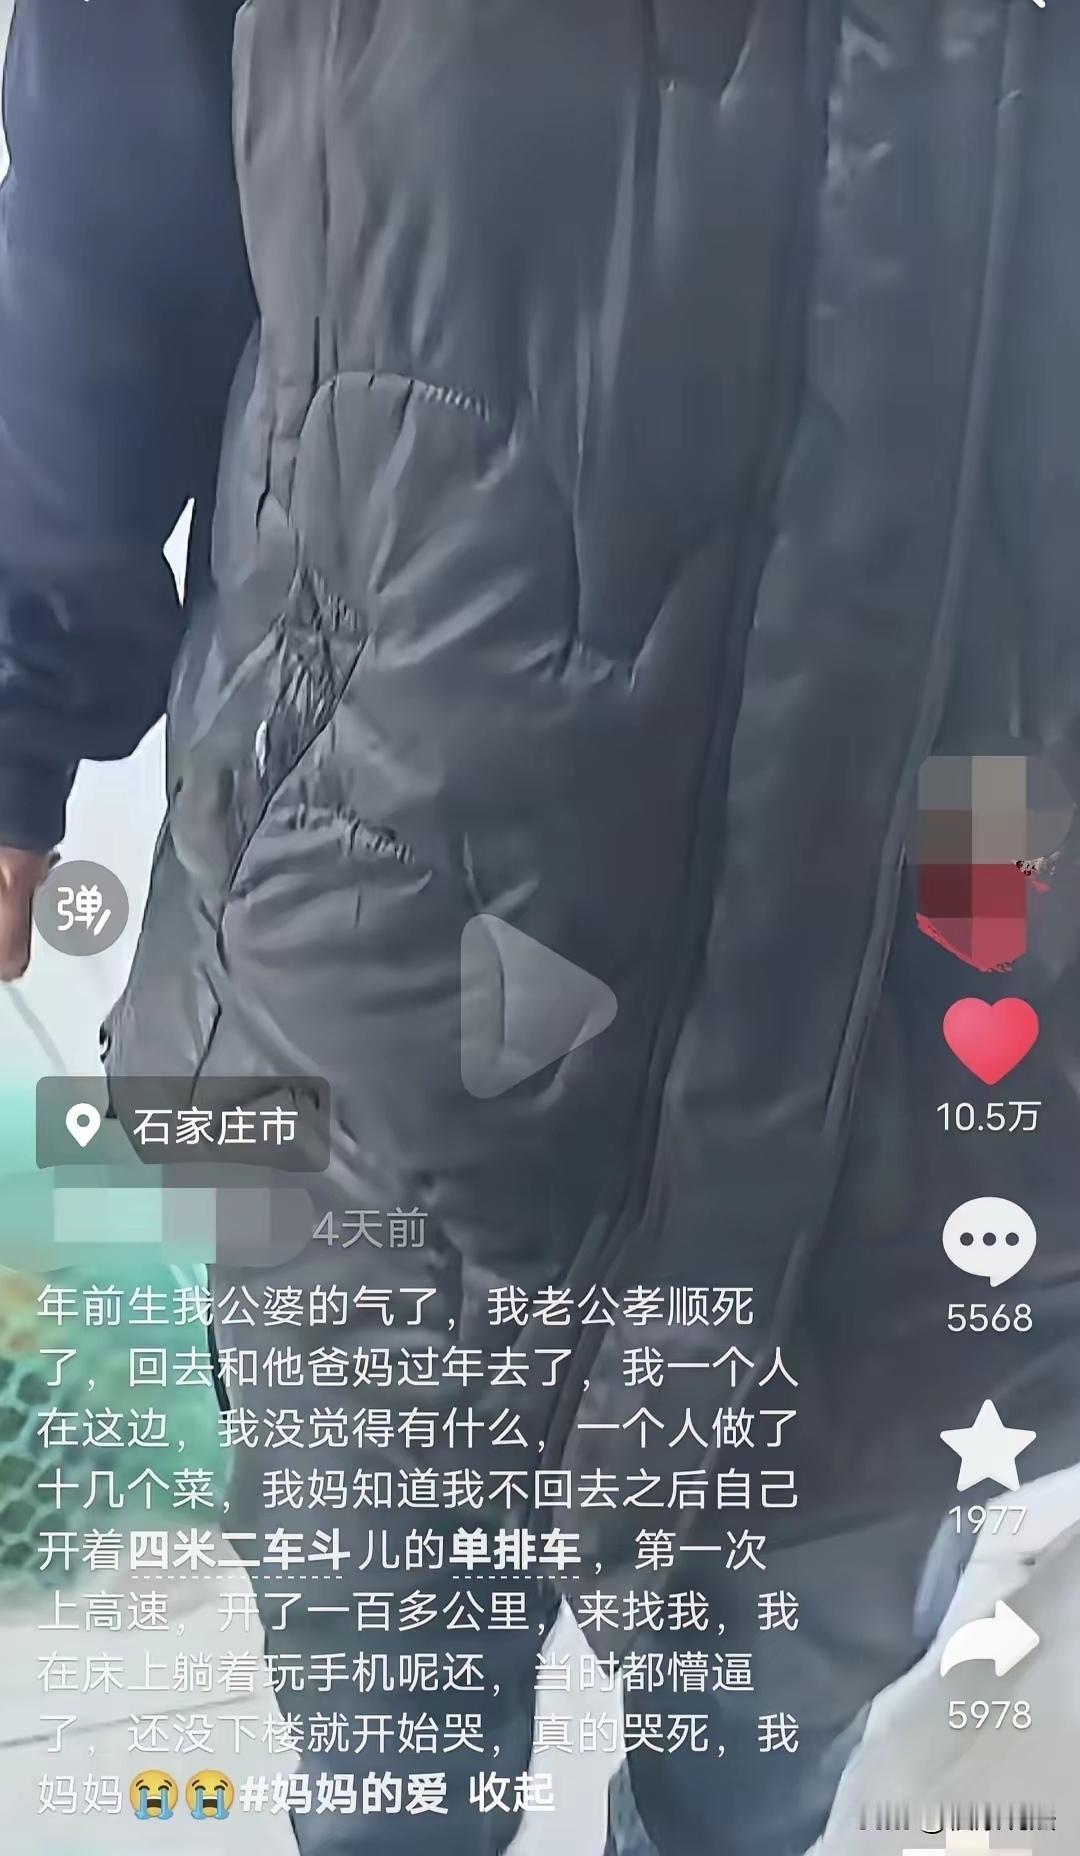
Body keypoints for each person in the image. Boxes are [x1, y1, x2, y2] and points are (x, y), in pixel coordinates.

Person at [3, 3, 1080, 1853]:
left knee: (762, 1753)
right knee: (389, 1739)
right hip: (377, 944)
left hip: (962, 1027)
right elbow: (103, 203)